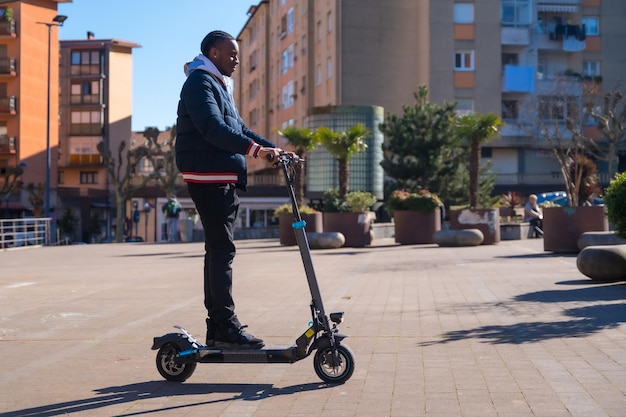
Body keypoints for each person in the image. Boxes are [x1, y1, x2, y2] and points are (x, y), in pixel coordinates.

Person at [175, 30, 289, 350]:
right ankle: (223, 325)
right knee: (222, 252)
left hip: (219, 176)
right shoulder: (199, 83)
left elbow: (239, 129)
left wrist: (273, 149)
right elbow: (213, 129)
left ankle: (219, 326)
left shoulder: (218, 85)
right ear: (214, 53)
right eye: (232, 54)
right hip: (208, 176)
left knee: (219, 251)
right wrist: (256, 152)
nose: (237, 60)